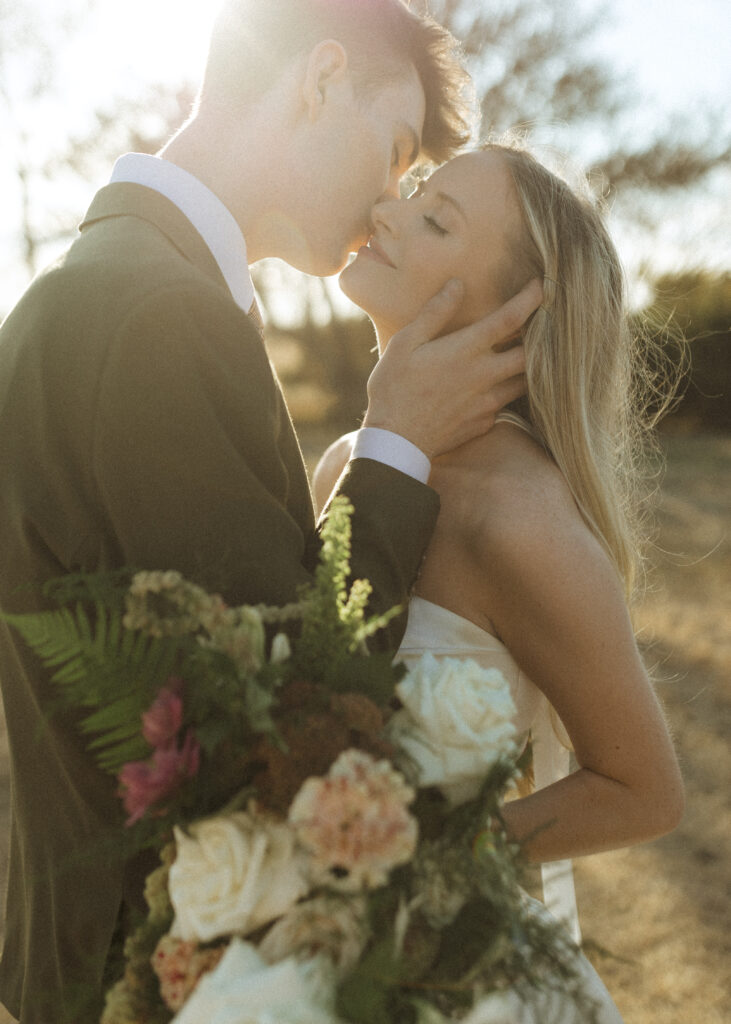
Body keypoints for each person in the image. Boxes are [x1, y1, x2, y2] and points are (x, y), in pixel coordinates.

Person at [0, 2, 542, 1020]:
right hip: (161, 980)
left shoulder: (99, 288)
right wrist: (396, 442)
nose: (387, 200)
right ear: (317, 79)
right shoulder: (157, 312)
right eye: (391, 151)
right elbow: (285, 705)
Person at [314, 142, 686, 1021]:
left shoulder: (519, 520)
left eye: (434, 218)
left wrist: (432, 866)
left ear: (511, 317)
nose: (386, 212)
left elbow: (645, 787)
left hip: (455, 979)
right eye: (411, 194)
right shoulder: (345, 463)